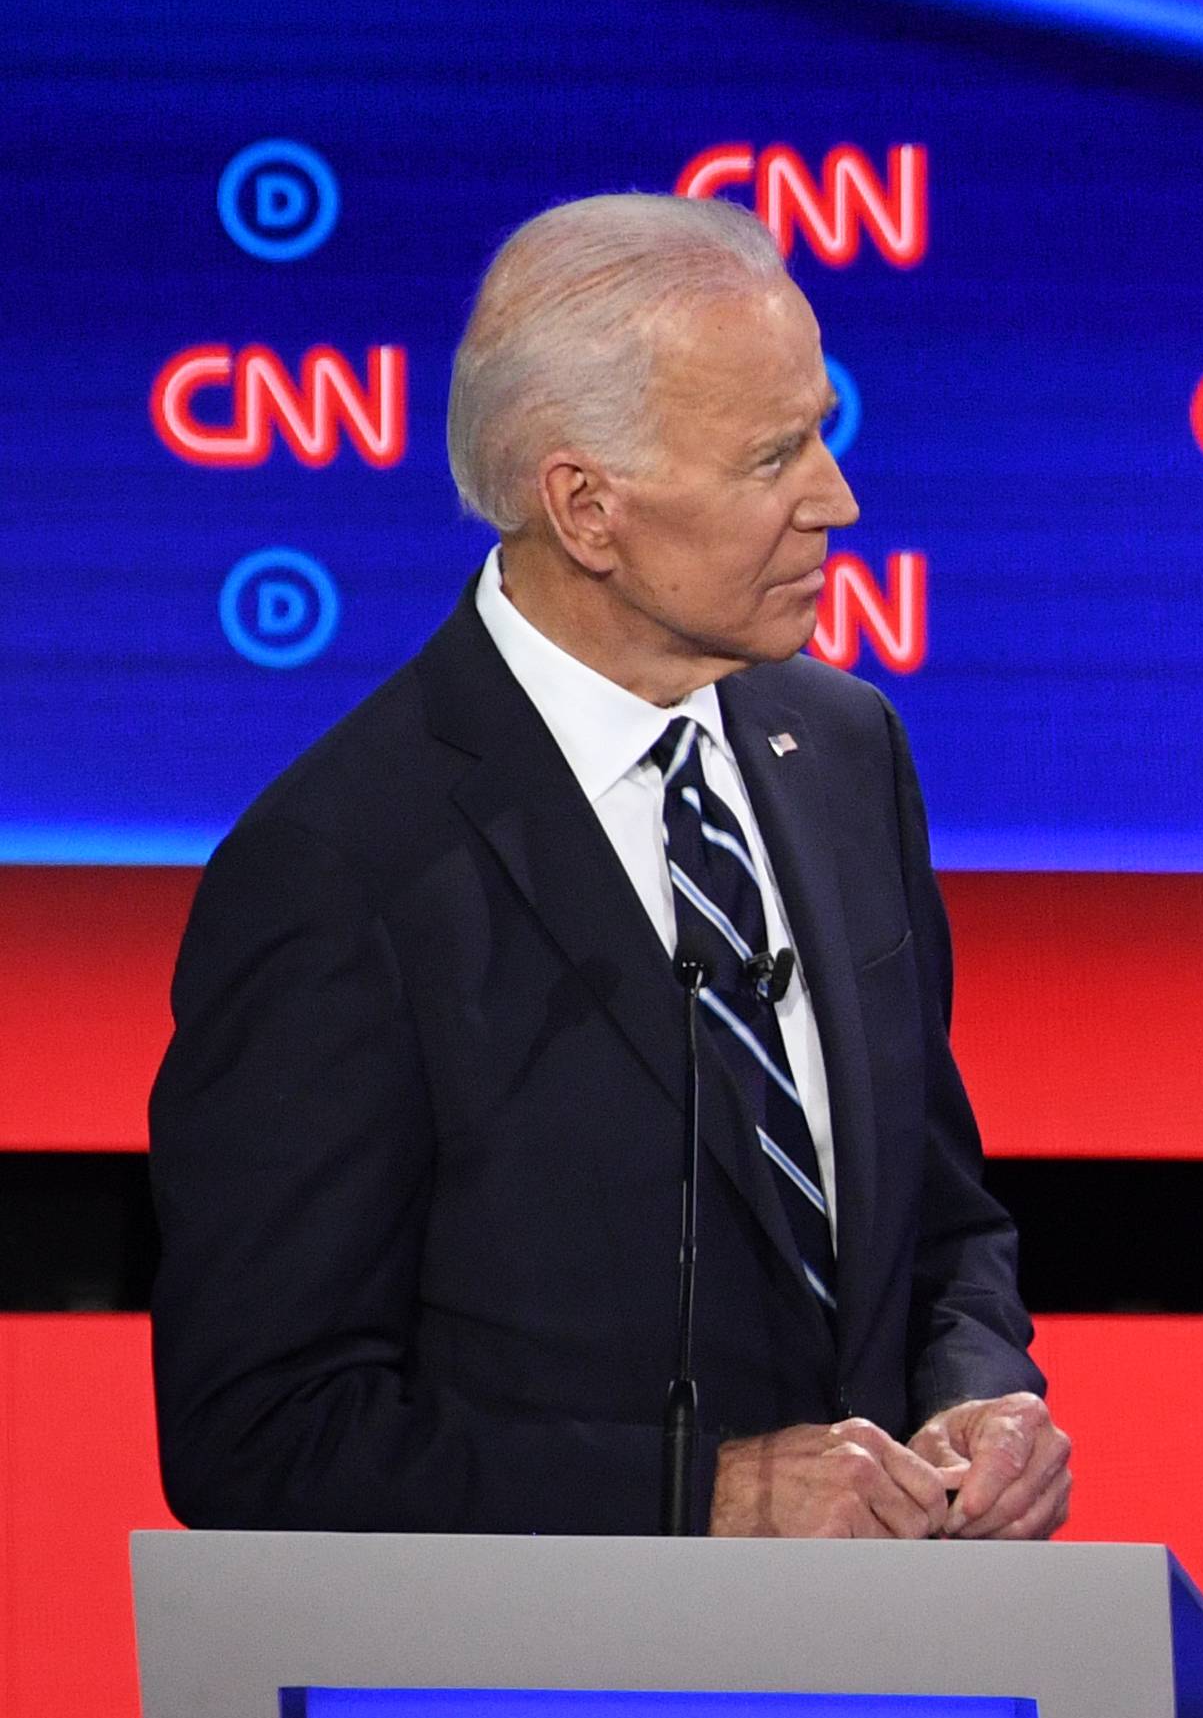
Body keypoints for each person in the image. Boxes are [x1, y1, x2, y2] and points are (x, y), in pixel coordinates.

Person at [151, 192, 1068, 1543]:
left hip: (886, 1701)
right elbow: (262, 1436)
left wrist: (984, 1396)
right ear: (585, 506)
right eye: (772, 458)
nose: (838, 497)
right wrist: (702, 1497)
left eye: (823, 429)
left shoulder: (846, 754)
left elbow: (939, 1227)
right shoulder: (343, 871)